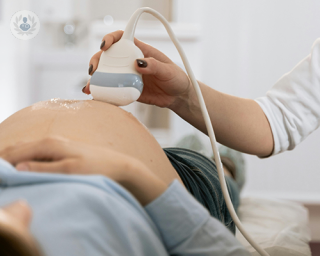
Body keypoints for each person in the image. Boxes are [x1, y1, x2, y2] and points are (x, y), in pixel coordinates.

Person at [0, 99, 249, 256]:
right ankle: (227, 166)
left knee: (189, 152)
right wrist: (128, 171)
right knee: (218, 173)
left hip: (132, 156)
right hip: (167, 185)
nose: (20, 208)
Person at [84, 30, 320, 158]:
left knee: (201, 165)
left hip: (178, 173)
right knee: (191, 155)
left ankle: (227, 165)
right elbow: (277, 122)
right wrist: (182, 96)